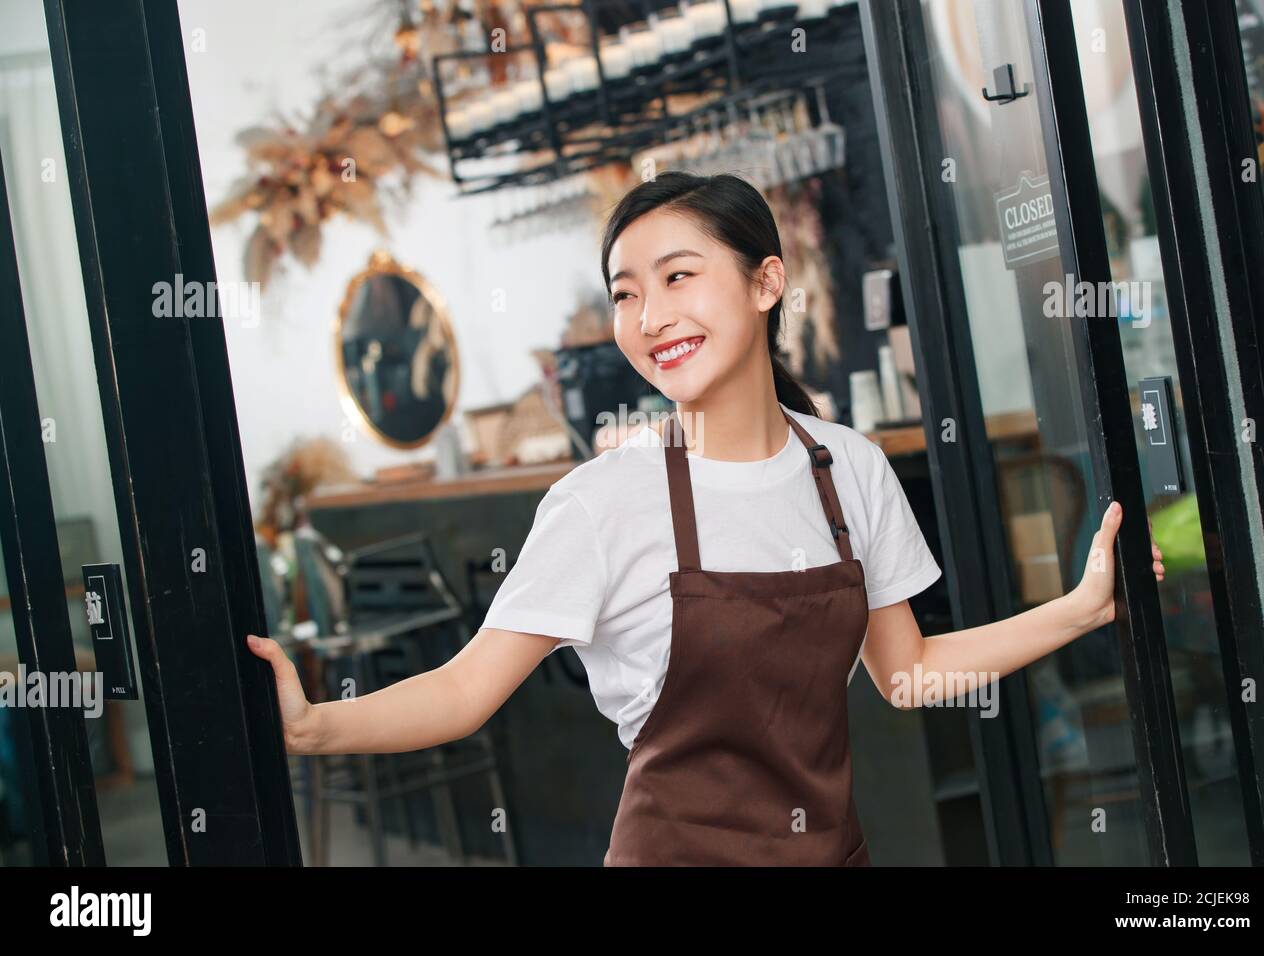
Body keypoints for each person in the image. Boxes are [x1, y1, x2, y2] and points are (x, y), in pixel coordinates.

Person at [247, 171, 1165, 866]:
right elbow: (462, 691)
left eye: (678, 276)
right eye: (625, 292)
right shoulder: (603, 503)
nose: (649, 315)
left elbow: (907, 673)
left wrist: (1081, 609)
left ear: (767, 282)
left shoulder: (850, 469)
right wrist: (315, 727)